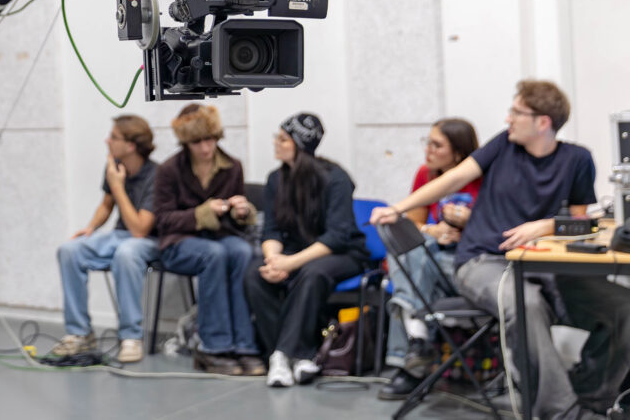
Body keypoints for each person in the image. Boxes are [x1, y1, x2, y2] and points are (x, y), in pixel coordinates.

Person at [371, 79, 630, 419]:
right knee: (526, 304)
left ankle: (591, 398)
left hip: (544, 266)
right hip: (481, 261)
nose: (508, 119)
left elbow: (583, 222)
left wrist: (546, 225)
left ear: (543, 122)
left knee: (623, 308)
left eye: (516, 112)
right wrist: (400, 208)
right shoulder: (501, 148)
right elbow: (452, 179)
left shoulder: (577, 159)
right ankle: (561, 413)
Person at [243, 113, 369, 387]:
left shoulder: (336, 178)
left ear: (300, 144)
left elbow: (337, 236)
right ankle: (302, 357)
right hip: (295, 252)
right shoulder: (276, 179)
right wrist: (273, 259)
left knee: (312, 273)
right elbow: (272, 230)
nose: (276, 143)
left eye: (283, 139)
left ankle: (280, 356)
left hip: (342, 254)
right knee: (255, 274)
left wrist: (290, 264)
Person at [153, 104, 263, 376]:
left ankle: (244, 345)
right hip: (179, 243)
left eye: (210, 139)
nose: (205, 148)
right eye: (197, 142)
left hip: (220, 237)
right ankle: (213, 346)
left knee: (241, 252)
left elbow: (235, 218)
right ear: (186, 142)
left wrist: (243, 210)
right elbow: (162, 219)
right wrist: (200, 213)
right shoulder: (169, 170)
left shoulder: (232, 166)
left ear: (217, 136)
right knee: (213, 254)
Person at [379, 118, 480, 400]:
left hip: (464, 263)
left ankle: (410, 360)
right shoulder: (425, 174)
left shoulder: (483, 178)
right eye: (428, 142)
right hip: (430, 264)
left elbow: (497, 229)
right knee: (409, 250)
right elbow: (415, 224)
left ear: (458, 153)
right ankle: (416, 342)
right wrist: (433, 230)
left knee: (413, 260)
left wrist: (470, 226)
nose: (428, 150)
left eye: (437, 145)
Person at [51, 115, 159, 363]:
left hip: (151, 239)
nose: (107, 141)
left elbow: (140, 229)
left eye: (113, 137)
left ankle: (131, 336)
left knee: (127, 253)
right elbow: (107, 204)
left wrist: (118, 186)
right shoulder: (114, 166)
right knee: (70, 250)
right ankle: (79, 333)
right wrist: (90, 228)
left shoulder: (157, 175)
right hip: (121, 235)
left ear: (131, 145)